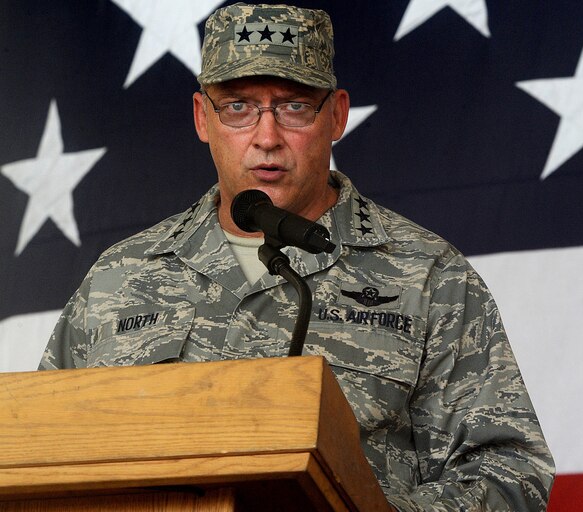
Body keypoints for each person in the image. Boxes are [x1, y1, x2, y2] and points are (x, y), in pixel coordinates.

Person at [39, 3, 554, 510]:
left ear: (336, 115)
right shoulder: (119, 277)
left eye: (294, 106)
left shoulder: (428, 275)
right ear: (202, 118)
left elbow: (510, 473)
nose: (267, 138)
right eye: (238, 106)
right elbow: (38, 453)